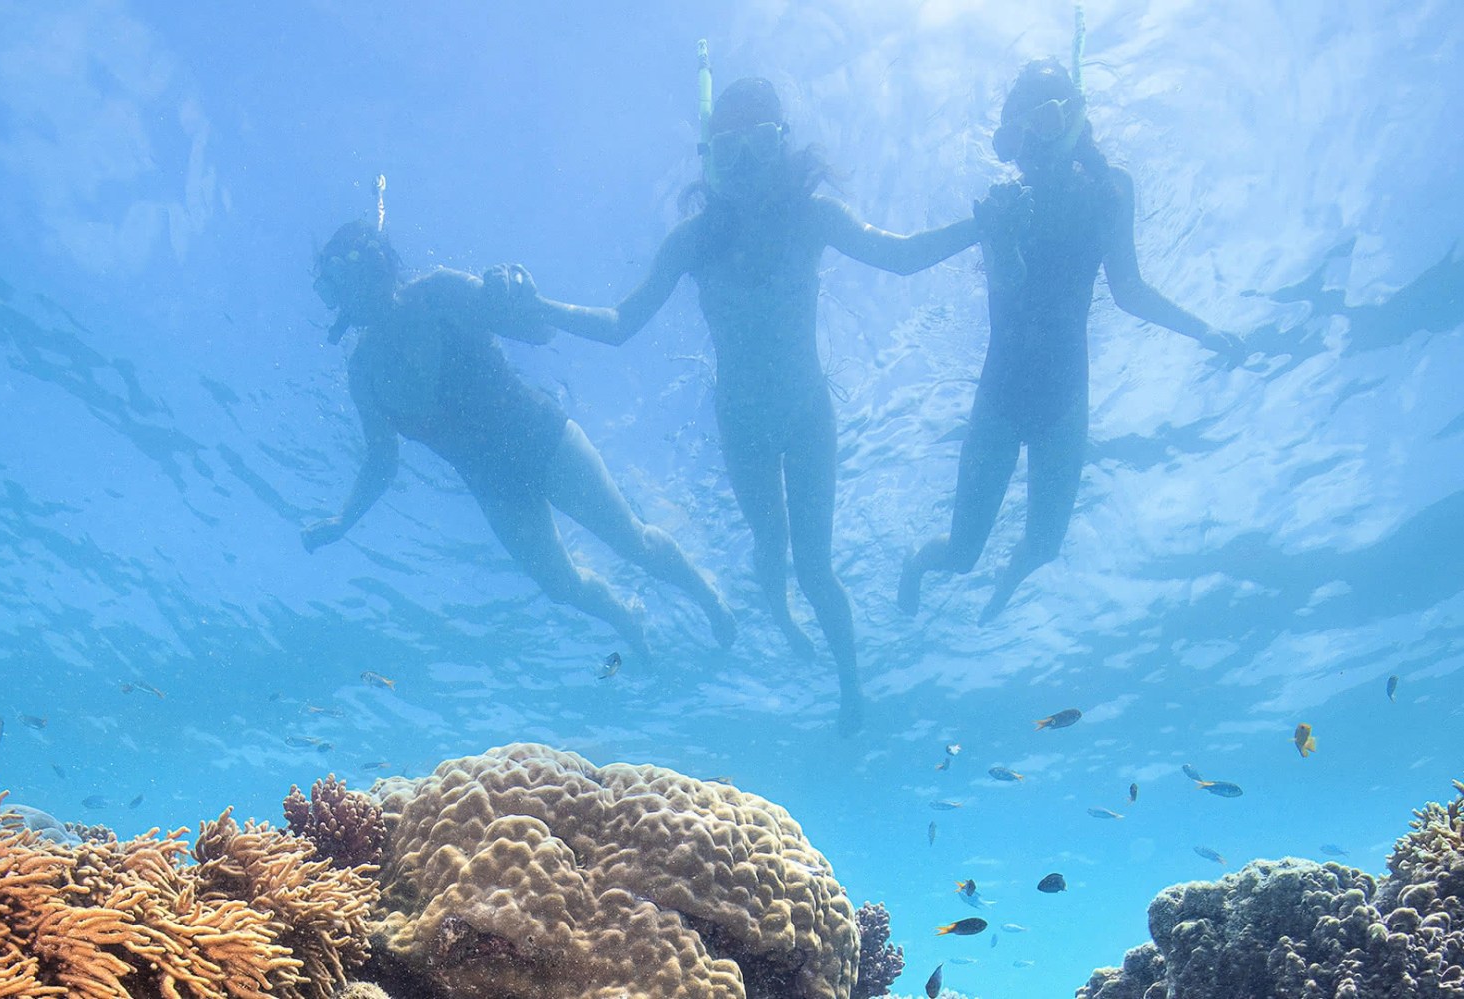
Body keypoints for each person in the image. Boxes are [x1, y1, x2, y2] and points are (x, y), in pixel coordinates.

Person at [518, 78, 980, 734]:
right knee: (771, 540)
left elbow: (899, 256)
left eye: (758, 145)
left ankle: (851, 690)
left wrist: (982, 224)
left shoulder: (813, 216)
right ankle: (783, 615)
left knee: (815, 563)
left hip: (806, 413)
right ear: (710, 161)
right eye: (728, 152)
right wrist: (537, 307)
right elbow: (622, 321)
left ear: (781, 145)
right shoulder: (692, 240)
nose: (745, 166)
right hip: (742, 426)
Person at [896, 59, 1245, 624]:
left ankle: (1002, 593)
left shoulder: (1109, 192)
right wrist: (1002, 239)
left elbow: (1128, 290)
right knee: (960, 556)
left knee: (1044, 547)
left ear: (1076, 122)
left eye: (1049, 120)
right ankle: (918, 562)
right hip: (1001, 400)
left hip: (1063, 401)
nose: (1034, 141)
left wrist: (1201, 328)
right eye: (1019, 131)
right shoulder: (1004, 203)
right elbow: (1006, 291)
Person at [301, 221, 736, 661]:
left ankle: (708, 598)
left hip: (543, 439)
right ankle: (626, 619)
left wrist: (516, 288)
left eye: (340, 280)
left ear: (374, 267)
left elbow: (538, 331)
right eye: (328, 289)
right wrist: (344, 521)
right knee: (560, 586)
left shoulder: (438, 293)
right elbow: (381, 459)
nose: (340, 298)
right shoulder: (364, 372)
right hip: (494, 485)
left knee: (631, 541)